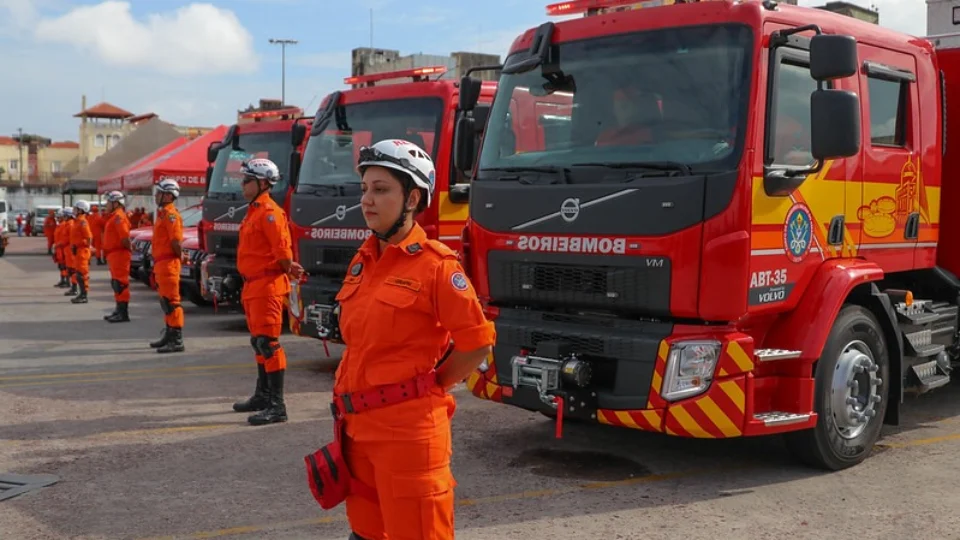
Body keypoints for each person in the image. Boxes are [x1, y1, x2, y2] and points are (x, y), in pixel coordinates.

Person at [325, 139, 494, 539]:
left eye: (381, 189)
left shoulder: (436, 267)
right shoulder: (362, 260)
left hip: (409, 436)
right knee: (364, 534)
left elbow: (477, 343)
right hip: (356, 430)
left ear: (412, 198)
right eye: (364, 188)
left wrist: (431, 385)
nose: (367, 199)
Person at [231, 158, 304, 425]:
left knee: (269, 344)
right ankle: (263, 396)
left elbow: (282, 251)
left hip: (267, 286)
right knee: (258, 342)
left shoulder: (270, 212)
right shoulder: (254, 210)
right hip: (254, 285)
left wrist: (288, 267)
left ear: (262, 183)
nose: (243, 184)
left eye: (247, 180)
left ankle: (277, 405)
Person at [149, 180, 186, 353]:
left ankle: (177, 339)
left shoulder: (171, 215)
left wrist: (180, 258)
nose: (156, 196)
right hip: (161, 264)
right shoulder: (163, 214)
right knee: (166, 302)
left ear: (169, 195)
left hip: (169, 264)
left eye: (160, 193)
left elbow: (176, 241)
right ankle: (169, 334)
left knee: (172, 302)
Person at [102, 191, 133, 323]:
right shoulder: (114, 216)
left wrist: (128, 249)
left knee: (120, 283)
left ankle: (123, 312)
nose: (106, 205)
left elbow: (125, 238)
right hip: (114, 254)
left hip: (119, 254)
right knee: (116, 283)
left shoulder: (119, 217)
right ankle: (118, 309)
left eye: (109, 202)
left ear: (116, 203)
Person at [69, 200, 93, 304]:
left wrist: (79, 244)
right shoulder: (76, 221)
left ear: (81, 210)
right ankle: (81, 294)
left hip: (82, 251)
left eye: (76, 208)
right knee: (78, 273)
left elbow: (88, 238)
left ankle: (84, 295)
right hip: (77, 251)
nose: (74, 210)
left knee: (82, 274)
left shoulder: (83, 222)